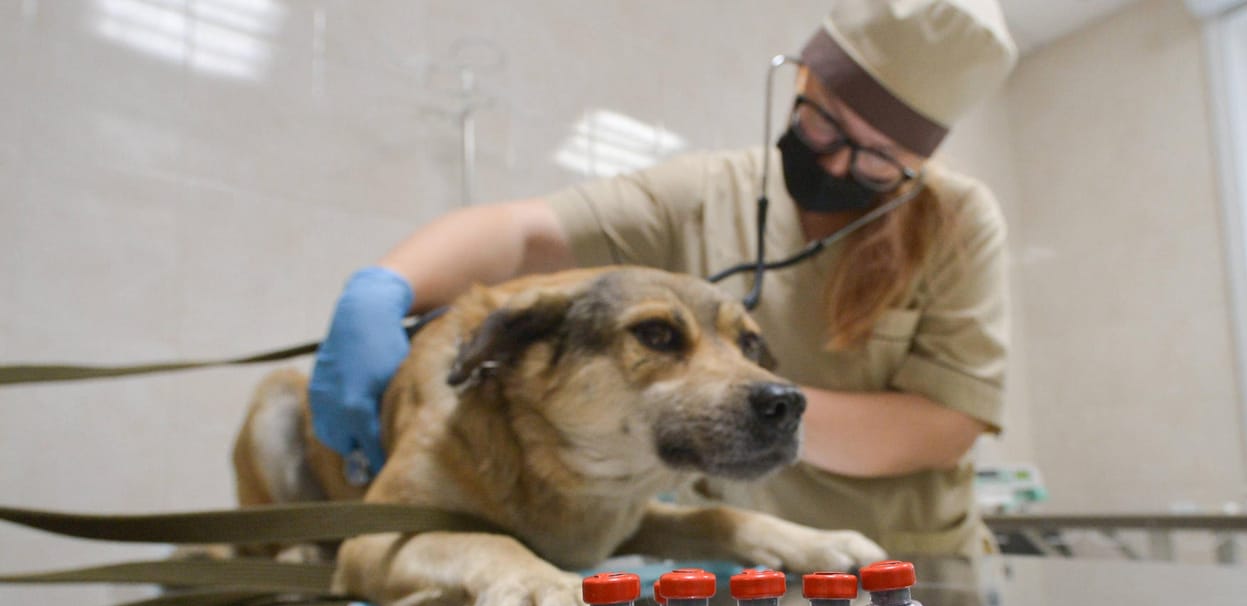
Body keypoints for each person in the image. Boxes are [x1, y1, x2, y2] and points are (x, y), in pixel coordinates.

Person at [307, 0, 1018, 558]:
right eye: (826, 127)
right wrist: (384, 287)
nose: (836, 167)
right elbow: (521, 233)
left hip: (905, 565)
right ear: (800, 78)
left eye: (876, 161)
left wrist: (741, 405)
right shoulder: (711, 190)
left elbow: (946, 424)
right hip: (736, 564)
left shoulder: (958, 220)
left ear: (918, 168)